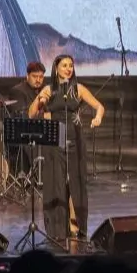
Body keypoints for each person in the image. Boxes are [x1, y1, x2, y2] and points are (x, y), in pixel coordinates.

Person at [28, 54, 105, 247]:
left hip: (74, 137)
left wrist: (97, 117)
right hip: (54, 139)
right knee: (56, 183)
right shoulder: (48, 89)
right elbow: (31, 113)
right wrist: (39, 100)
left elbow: (99, 106)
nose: (68, 69)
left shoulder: (78, 89)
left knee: (76, 182)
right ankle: (57, 228)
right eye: (64, 65)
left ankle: (77, 225)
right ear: (56, 68)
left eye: (71, 65)